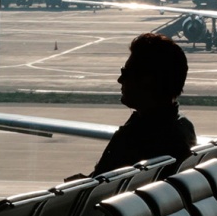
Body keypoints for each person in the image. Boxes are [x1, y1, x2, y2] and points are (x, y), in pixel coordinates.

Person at [72, 33, 196, 180]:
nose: (120, 80)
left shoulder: (135, 139)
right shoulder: (183, 128)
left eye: (126, 73)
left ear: (147, 81)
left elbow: (104, 189)